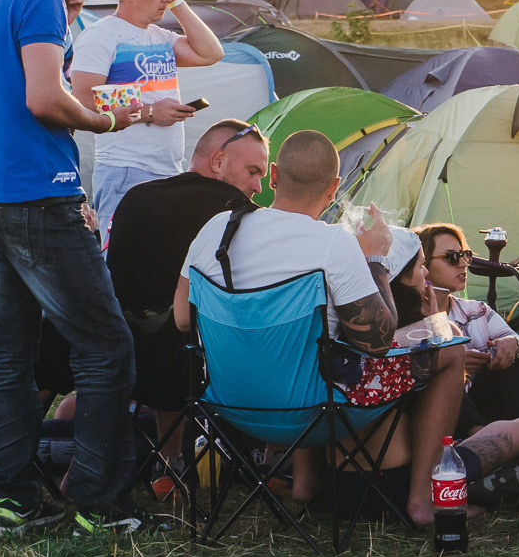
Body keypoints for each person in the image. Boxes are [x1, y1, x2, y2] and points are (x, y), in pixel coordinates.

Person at [0, 0, 145, 536]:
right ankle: (96, 502)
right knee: (105, 347)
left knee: (8, 355)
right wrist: (103, 119)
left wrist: (65, 31)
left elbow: (16, 88)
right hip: (39, 191)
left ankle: (12, 501)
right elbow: (43, 100)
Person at [173, 130, 472, 526]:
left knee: (314, 354)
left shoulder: (216, 230)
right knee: (451, 350)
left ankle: (306, 482)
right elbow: (379, 342)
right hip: (313, 411)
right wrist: (377, 259)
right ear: (334, 187)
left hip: (230, 407)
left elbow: (182, 318)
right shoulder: (333, 244)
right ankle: (420, 502)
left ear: (274, 175)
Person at [105, 119, 269, 483]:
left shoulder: (138, 194)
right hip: (184, 367)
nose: (257, 187)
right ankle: (273, 458)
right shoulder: (230, 208)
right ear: (218, 161)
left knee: (170, 323)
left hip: (117, 363)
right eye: (253, 171)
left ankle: (167, 461)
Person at [69, 0, 225, 231]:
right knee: (120, 263)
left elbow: (212, 53)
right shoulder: (101, 35)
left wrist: (178, 2)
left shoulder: (161, 37)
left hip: (168, 170)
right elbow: (82, 100)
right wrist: (151, 112)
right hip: (124, 170)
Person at [416, 222, 519, 465]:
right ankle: (481, 448)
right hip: (447, 423)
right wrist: (453, 367)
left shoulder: (477, 311)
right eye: (451, 257)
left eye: (465, 255)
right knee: (443, 379)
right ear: (424, 266)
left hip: (493, 409)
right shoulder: (411, 320)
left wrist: (515, 346)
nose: (463, 263)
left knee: (513, 359)